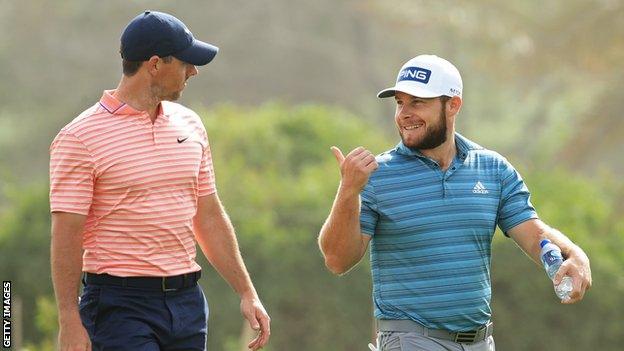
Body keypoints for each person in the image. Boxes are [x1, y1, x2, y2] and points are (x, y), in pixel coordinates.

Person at [318, 55, 592, 351]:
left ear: (453, 105)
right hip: (410, 339)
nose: (404, 114)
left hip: (479, 342)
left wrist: (574, 254)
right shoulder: (377, 175)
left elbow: (535, 234)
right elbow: (337, 260)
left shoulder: (492, 169)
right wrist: (348, 190)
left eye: (418, 102)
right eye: (400, 103)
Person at [50, 11, 270, 351]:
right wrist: (69, 320)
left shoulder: (191, 125)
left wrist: (246, 291)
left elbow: (208, 215)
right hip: (119, 307)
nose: (193, 71)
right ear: (155, 65)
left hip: (187, 304)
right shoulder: (79, 137)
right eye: (186, 63)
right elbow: (67, 234)